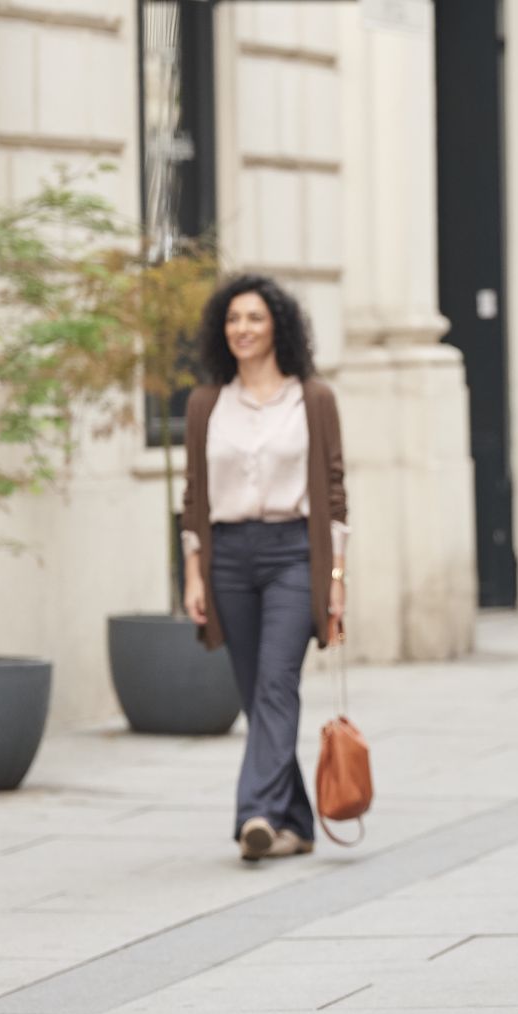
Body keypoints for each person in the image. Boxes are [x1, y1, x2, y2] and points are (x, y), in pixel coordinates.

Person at [180, 274, 348, 863]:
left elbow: (334, 494)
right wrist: (194, 574)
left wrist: (335, 583)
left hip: (293, 555)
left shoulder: (314, 399)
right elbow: (194, 496)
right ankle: (296, 822)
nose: (242, 329)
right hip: (228, 557)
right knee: (257, 695)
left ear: (277, 324)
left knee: (277, 683)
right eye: (232, 320)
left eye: (253, 318)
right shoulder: (207, 403)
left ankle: (254, 811)